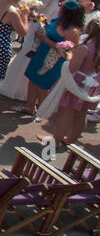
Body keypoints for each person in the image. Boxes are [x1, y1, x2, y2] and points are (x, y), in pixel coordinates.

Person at [14, 0, 85, 121]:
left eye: (61, 7)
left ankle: (42, 112)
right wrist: (42, 22)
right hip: (41, 53)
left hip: (54, 60)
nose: (59, 8)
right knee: (32, 79)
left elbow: (69, 51)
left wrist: (45, 40)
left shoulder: (73, 31)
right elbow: (49, 31)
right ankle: (29, 106)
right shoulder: (58, 20)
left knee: (43, 86)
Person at [40, 18, 100, 147]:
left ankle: (56, 141)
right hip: (93, 84)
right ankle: (71, 139)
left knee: (67, 112)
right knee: (82, 112)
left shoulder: (85, 48)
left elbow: (73, 68)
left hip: (78, 83)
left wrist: (67, 55)